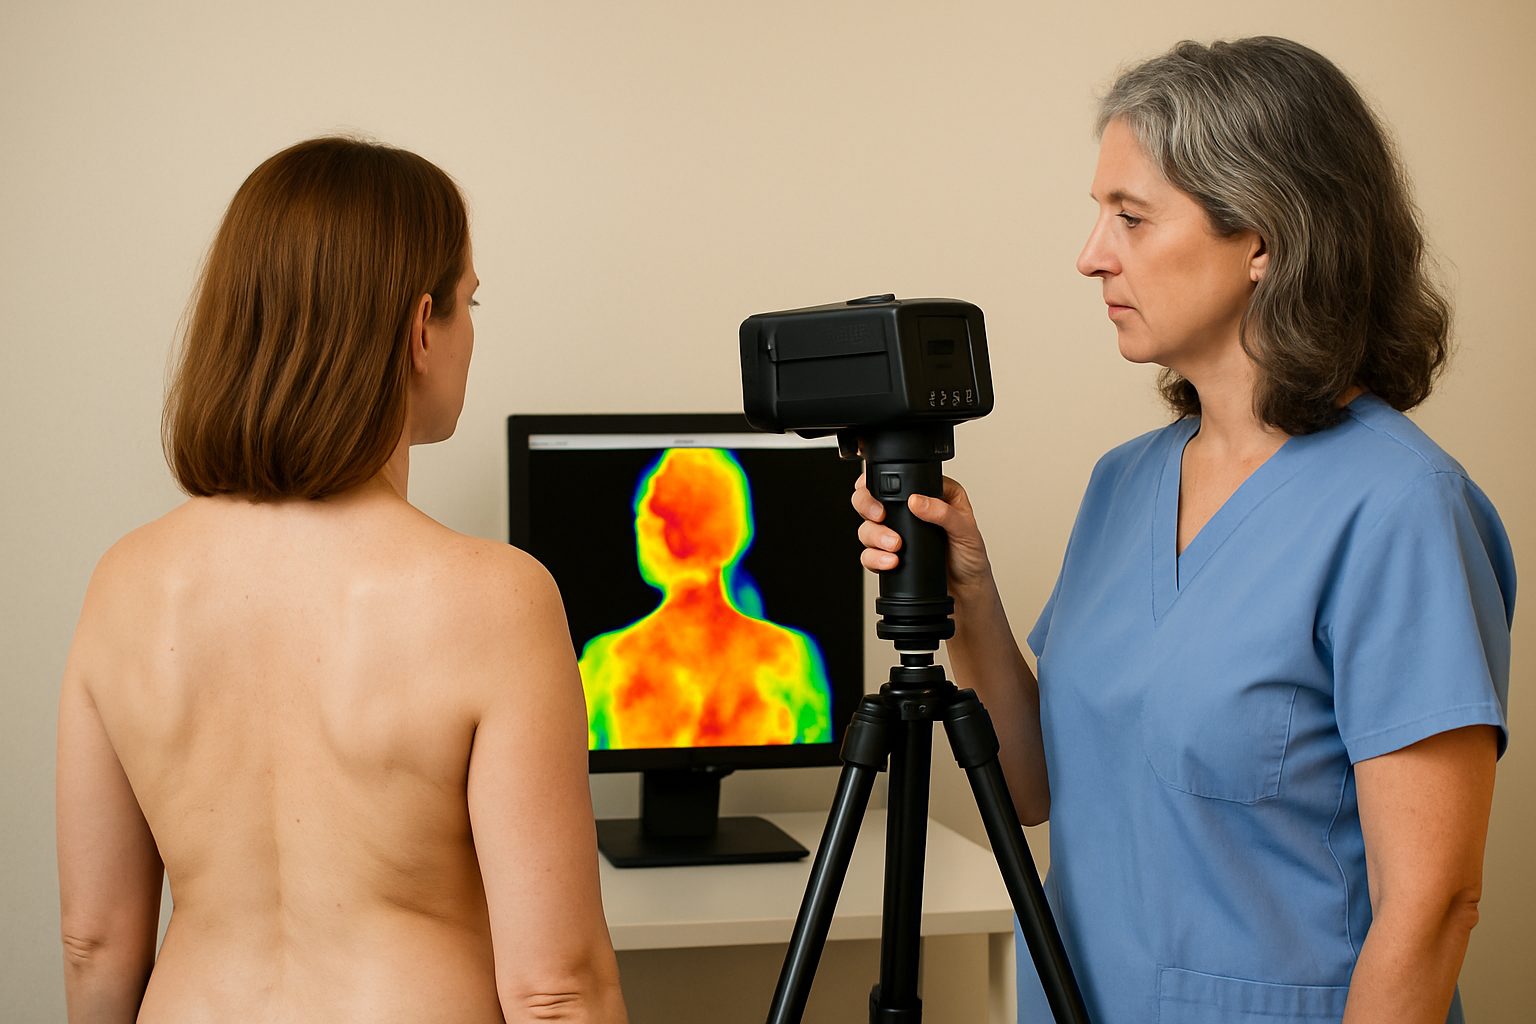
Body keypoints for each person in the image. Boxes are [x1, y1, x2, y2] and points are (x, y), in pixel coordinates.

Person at [854, 38, 1513, 1024]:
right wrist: (971, 599)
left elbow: (1434, 906)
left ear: (1265, 239)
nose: (1091, 255)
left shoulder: (1402, 508)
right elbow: (1034, 790)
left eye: (1130, 216)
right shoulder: (1125, 483)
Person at [56, 137, 628, 1023]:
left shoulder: (124, 582)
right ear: (418, 328)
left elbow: (95, 943)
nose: (472, 332)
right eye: (472, 303)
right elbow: (556, 990)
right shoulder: (496, 598)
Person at [579, 447, 832, 749]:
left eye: (643, 515)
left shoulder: (606, 662)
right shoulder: (791, 656)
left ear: (658, 527)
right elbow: (821, 773)